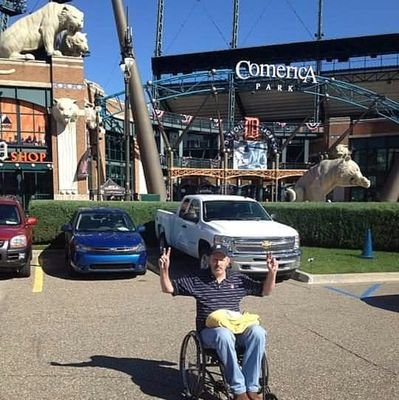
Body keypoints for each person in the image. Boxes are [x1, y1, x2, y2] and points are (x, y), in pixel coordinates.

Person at [159, 244, 278, 400]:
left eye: (222, 260)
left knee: (258, 332)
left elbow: (265, 291)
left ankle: (252, 388)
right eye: (215, 259)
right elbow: (169, 288)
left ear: (228, 261)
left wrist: (272, 272)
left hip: (236, 328)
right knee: (224, 334)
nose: (218, 263)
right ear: (209, 260)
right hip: (209, 332)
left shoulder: (238, 278)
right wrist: (164, 270)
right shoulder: (198, 279)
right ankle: (239, 390)